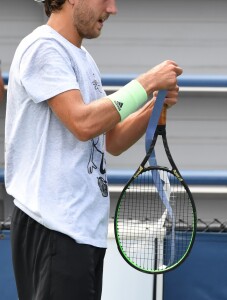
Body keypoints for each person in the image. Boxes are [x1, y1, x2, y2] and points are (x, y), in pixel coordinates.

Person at [5, 0, 182, 299]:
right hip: (53, 228)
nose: (112, 9)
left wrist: (153, 106)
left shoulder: (82, 58)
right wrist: (147, 81)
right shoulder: (43, 47)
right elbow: (82, 122)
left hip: (80, 232)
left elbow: (111, 141)